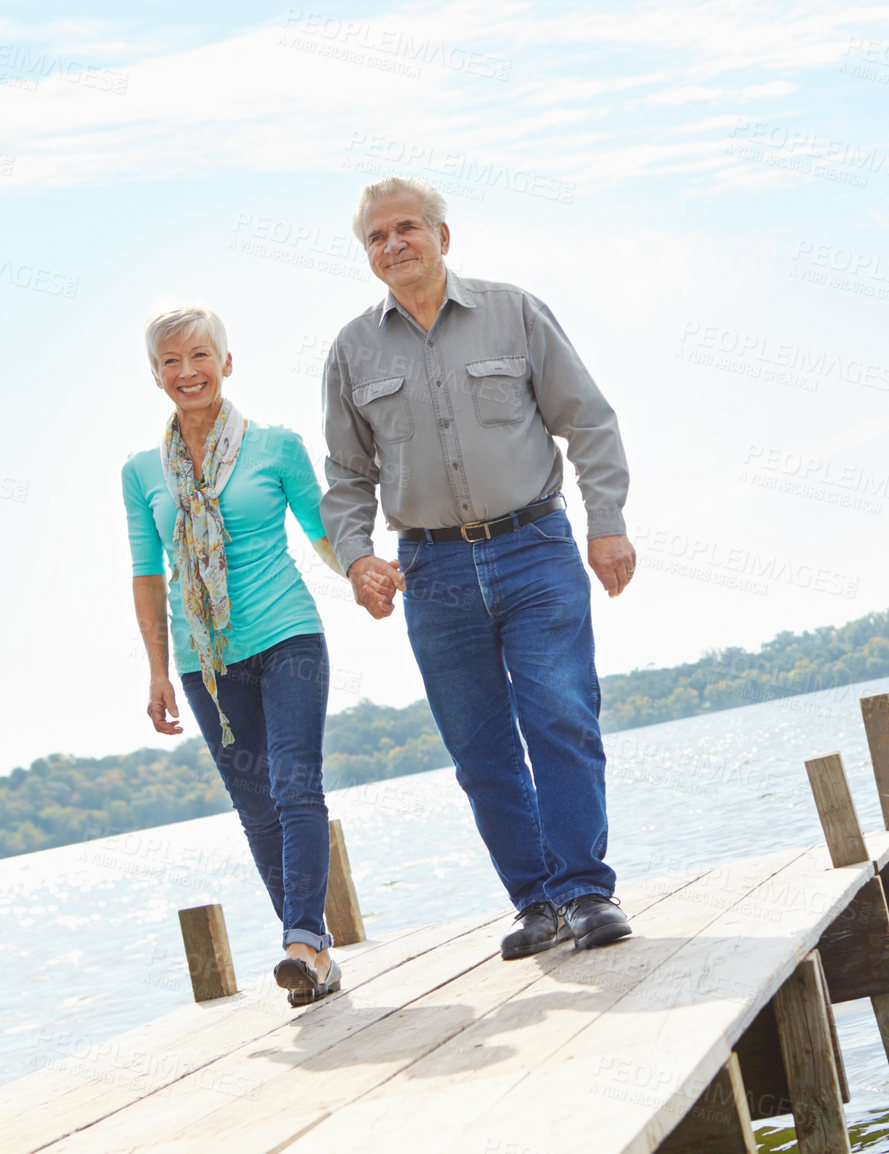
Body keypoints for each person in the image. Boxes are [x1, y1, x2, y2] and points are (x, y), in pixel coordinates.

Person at [321, 176, 637, 959]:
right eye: (376, 237)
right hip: (434, 570)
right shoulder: (352, 350)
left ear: (442, 236)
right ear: (367, 255)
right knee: (478, 746)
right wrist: (358, 559)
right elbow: (345, 476)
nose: (393, 245)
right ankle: (536, 902)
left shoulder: (514, 312)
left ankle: (586, 891)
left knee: (561, 714)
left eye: (406, 229)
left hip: (534, 547)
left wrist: (608, 525)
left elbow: (588, 421)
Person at [123, 305, 346, 1005]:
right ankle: (313, 959)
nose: (187, 372)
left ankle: (303, 941)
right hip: (204, 662)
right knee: (256, 806)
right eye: (170, 362)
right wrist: (158, 670)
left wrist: (365, 571)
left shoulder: (275, 446)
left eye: (199, 356)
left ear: (227, 362)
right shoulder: (140, 472)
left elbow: (321, 531)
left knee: (293, 783)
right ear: (155, 375)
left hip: (287, 638)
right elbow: (147, 573)